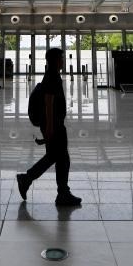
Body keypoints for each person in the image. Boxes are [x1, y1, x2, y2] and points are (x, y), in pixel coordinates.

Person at [17, 47, 82, 207]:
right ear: (55, 60)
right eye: (61, 58)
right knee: (59, 157)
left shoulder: (52, 75)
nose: (63, 61)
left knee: (57, 157)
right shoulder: (52, 76)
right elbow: (48, 101)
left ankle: (59, 191)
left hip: (53, 123)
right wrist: (50, 128)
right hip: (54, 124)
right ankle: (31, 180)